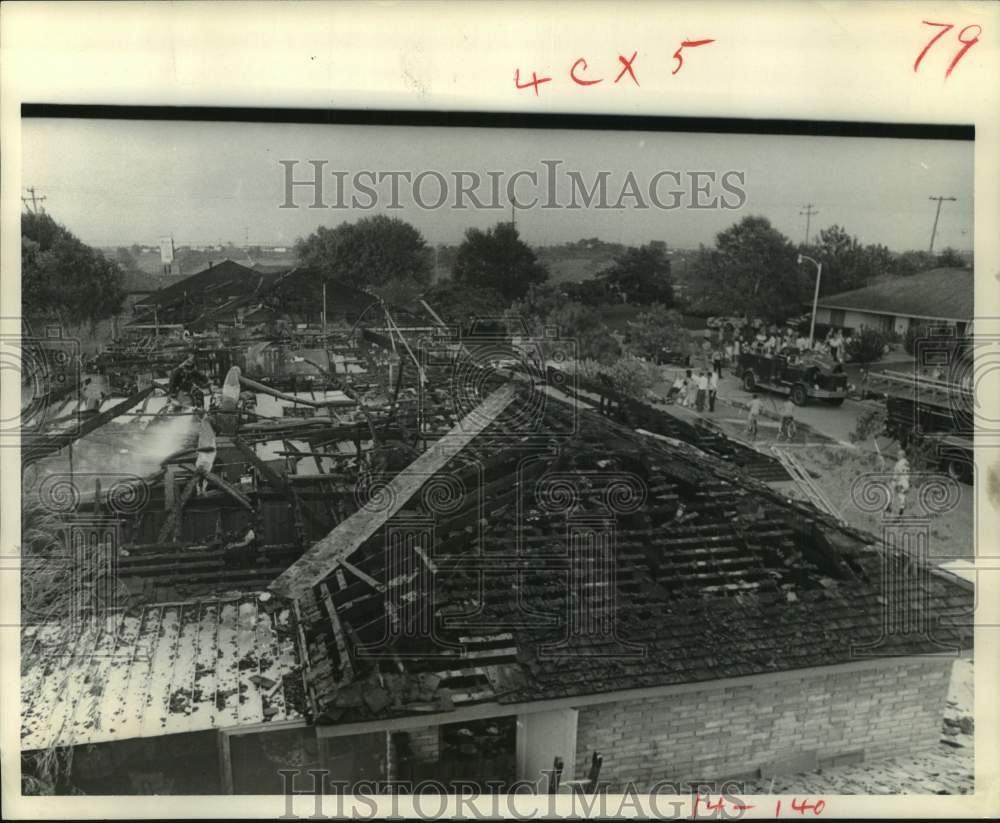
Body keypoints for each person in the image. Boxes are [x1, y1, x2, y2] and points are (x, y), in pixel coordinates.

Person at [890, 448, 911, 516]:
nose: (897, 456)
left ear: (901, 456)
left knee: (891, 492)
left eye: (898, 455)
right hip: (906, 482)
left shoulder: (898, 464)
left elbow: (896, 474)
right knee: (902, 495)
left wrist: (893, 480)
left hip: (900, 482)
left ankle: (889, 507)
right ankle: (901, 509)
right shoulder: (907, 463)